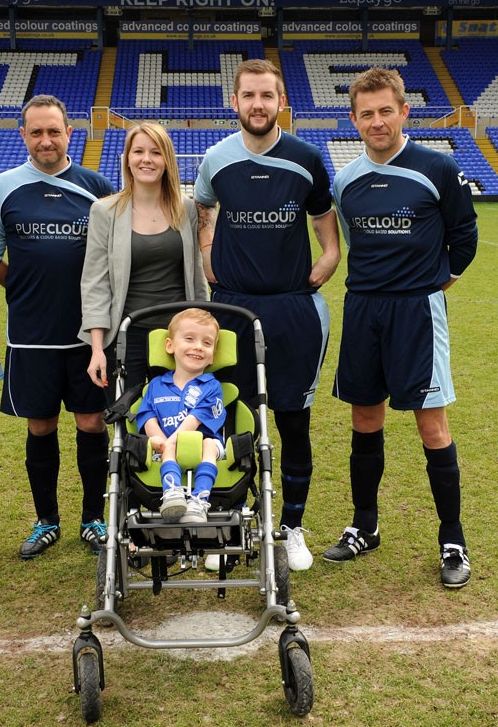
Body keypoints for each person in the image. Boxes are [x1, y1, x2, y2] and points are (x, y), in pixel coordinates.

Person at [323, 67, 478, 589]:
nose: (377, 121)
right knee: (365, 419)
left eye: (385, 110)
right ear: (354, 120)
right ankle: (364, 526)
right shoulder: (345, 181)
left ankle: (452, 540)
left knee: (431, 425)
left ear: (404, 111)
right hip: (364, 308)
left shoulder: (436, 167)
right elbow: (350, 241)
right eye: (366, 114)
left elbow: (465, 235)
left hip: (417, 310)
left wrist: (435, 284)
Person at [194, 59, 341, 571]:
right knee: (229, 417)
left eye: (267, 96)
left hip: (293, 309)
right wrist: (209, 255)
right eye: (249, 96)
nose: (258, 105)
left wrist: (327, 260)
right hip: (231, 307)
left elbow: (325, 223)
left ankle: (291, 527)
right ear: (234, 102)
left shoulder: (306, 158)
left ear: (282, 103)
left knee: (292, 420)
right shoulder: (215, 159)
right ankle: (229, 524)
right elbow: (203, 211)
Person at [0, 95, 115, 560]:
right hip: (30, 336)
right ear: (23, 136)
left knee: (92, 423)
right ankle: (46, 520)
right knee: (40, 427)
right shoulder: (4, 188)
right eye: (36, 132)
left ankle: (93, 519)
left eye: (54, 131)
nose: (46, 140)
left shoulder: (96, 185)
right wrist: (22, 289)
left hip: (90, 336)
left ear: (69, 133)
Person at [80, 121, 209, 394]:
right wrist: (97, 349)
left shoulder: (185, 208)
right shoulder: (105, 211)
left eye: (155, 152)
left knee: (179, 424)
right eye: (138, 151)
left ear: (167, 160)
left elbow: (196, 275)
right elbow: (95, 284)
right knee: (127, 428)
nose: (146, 159)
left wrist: (204, 330)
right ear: (127, 159)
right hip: (127, 336)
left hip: (178, 338)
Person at [135, 308, 226, 524]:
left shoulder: (211, 386)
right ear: (170, 345)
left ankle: (198, 500)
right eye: (189, 339)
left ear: (213, 354)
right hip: (165, 449)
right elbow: (147, 414)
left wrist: (168, 443)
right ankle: (173, 494)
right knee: (169, 447)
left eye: (207, 343)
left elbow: (193, 421)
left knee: (209, 444)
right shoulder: (156, 385)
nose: (198, 347)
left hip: (204, 446)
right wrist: (157, 439)